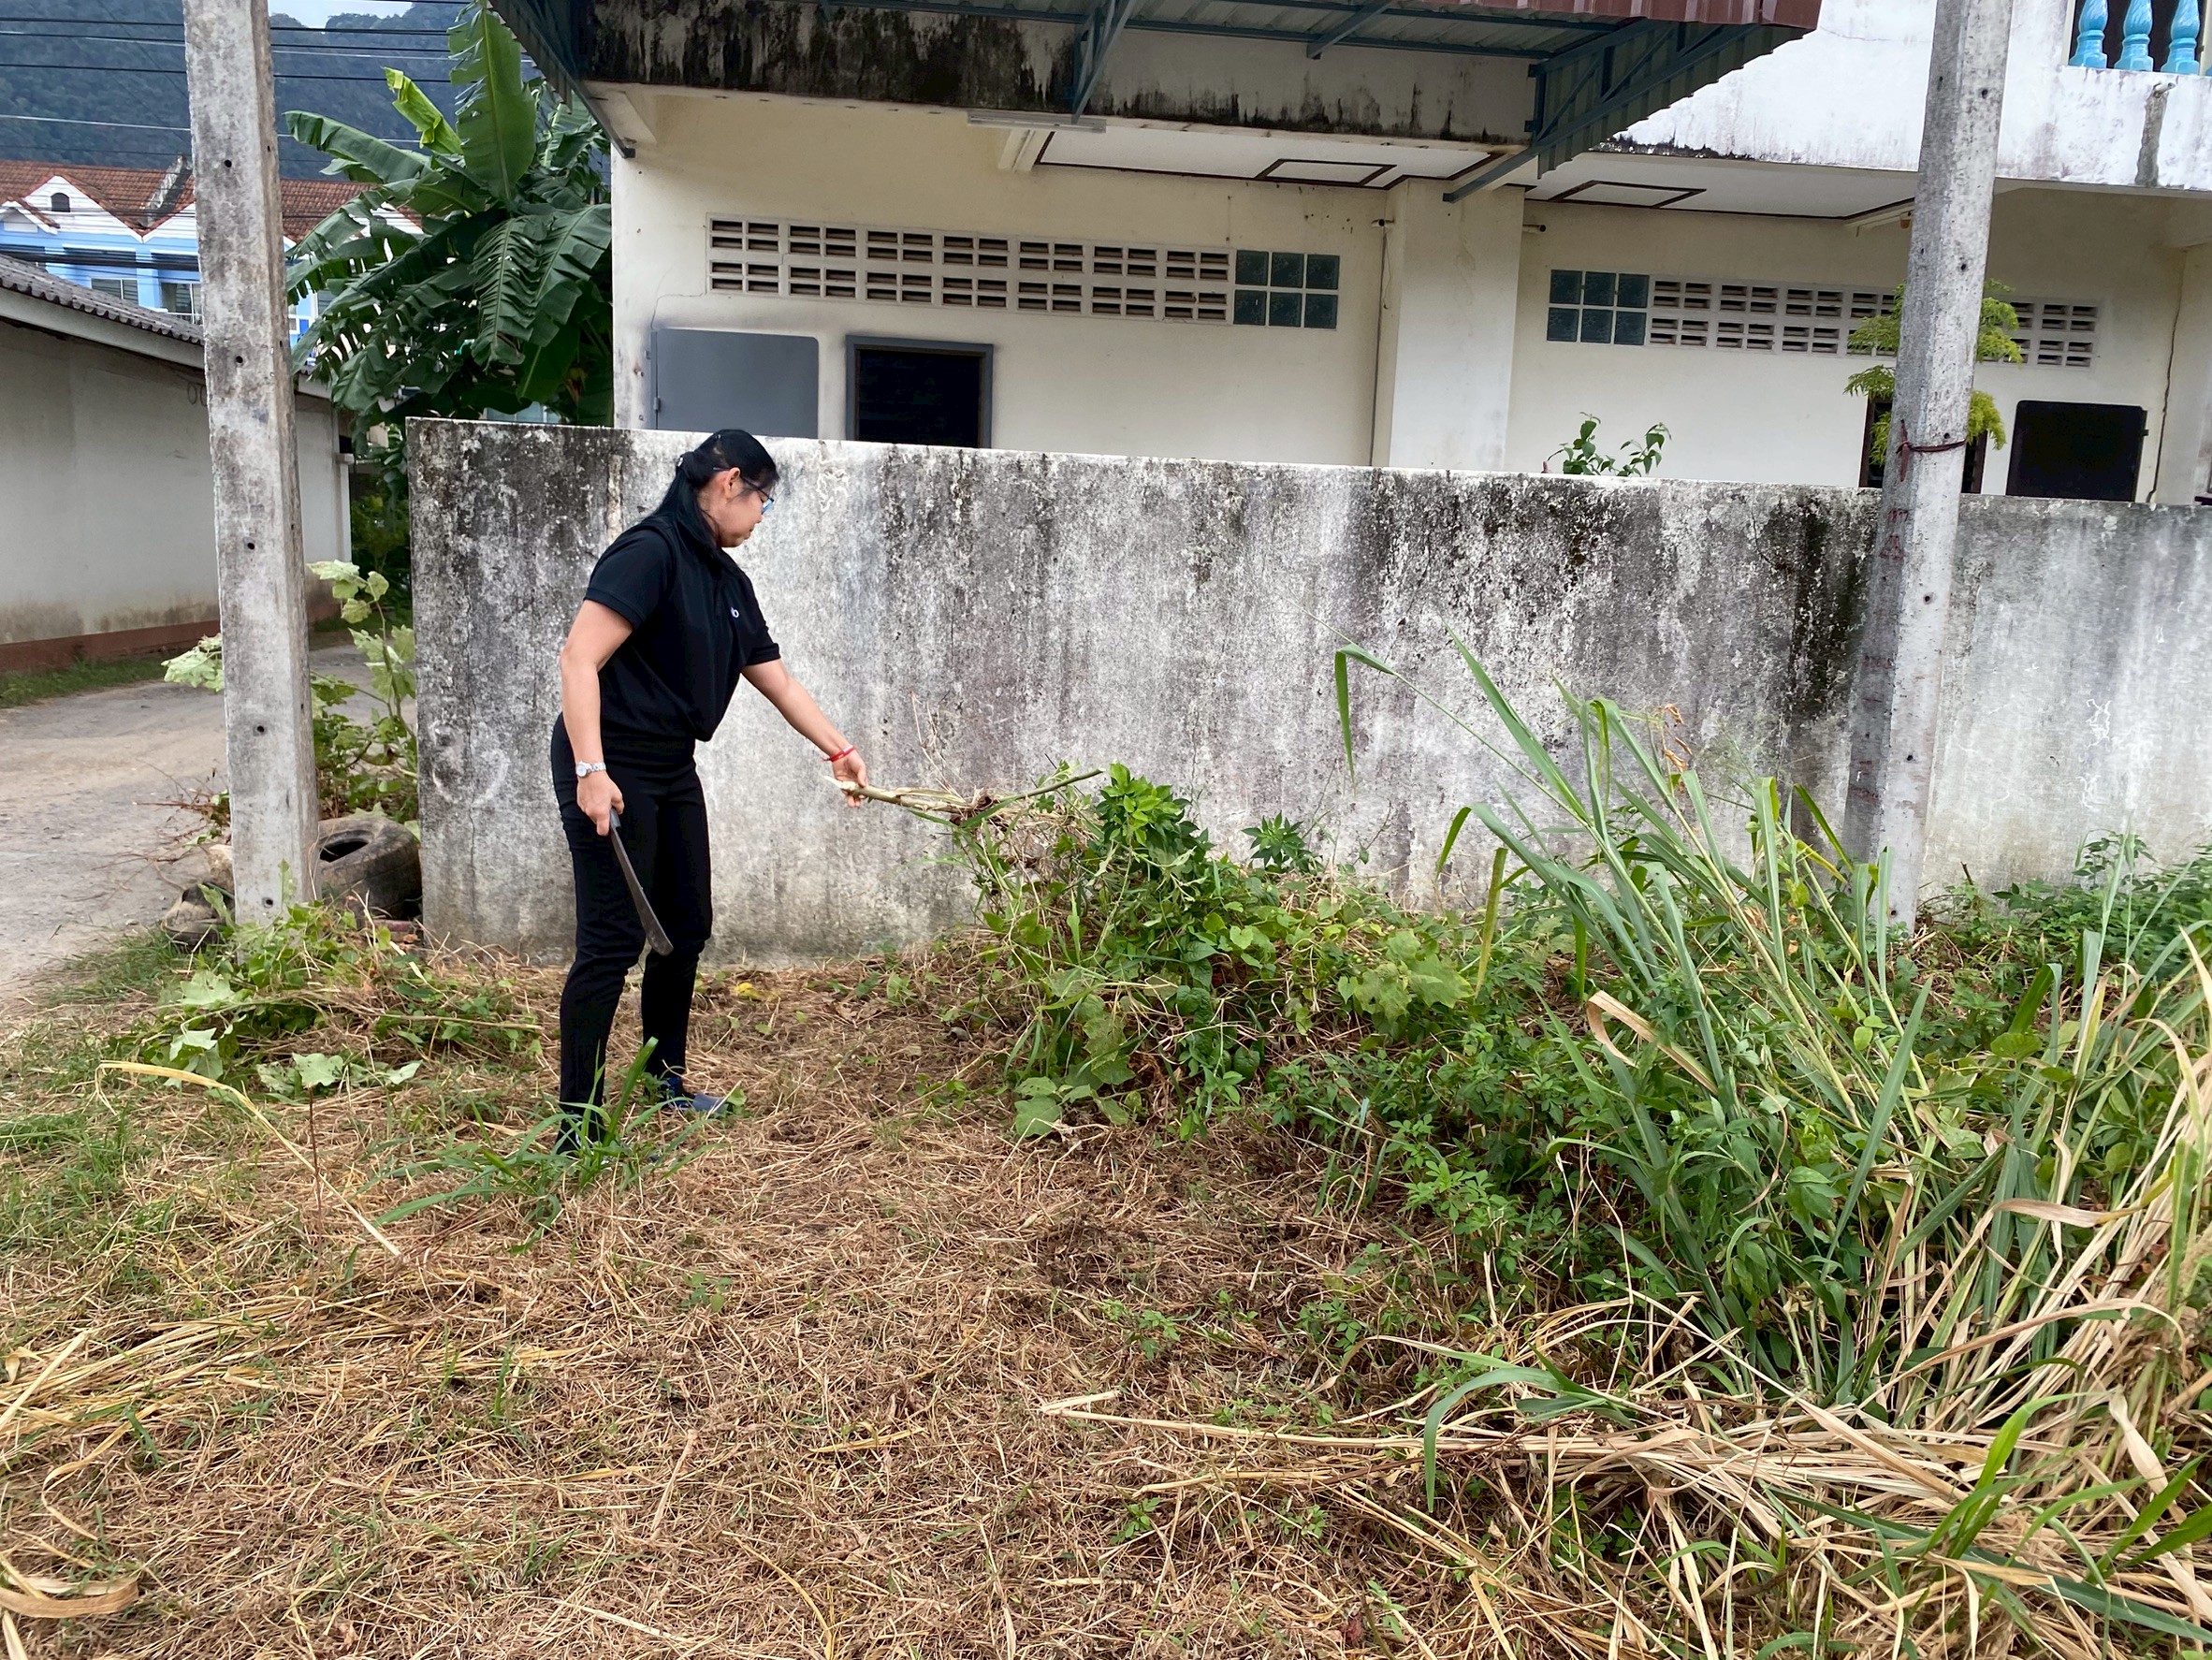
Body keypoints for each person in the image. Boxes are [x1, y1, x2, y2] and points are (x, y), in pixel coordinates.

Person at [550, 429, 866, 1147]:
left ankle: (664, 1083)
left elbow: (775, 678)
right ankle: (579, 1128)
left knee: (684, 927)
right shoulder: (650, 552)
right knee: (611, 940)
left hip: (670, 764)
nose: (761, 516)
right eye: (762, 500)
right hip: (609, 759)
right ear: (729, 484)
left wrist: (839, 750)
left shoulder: (727, 581)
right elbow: (578, 660)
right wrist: (590, 773)